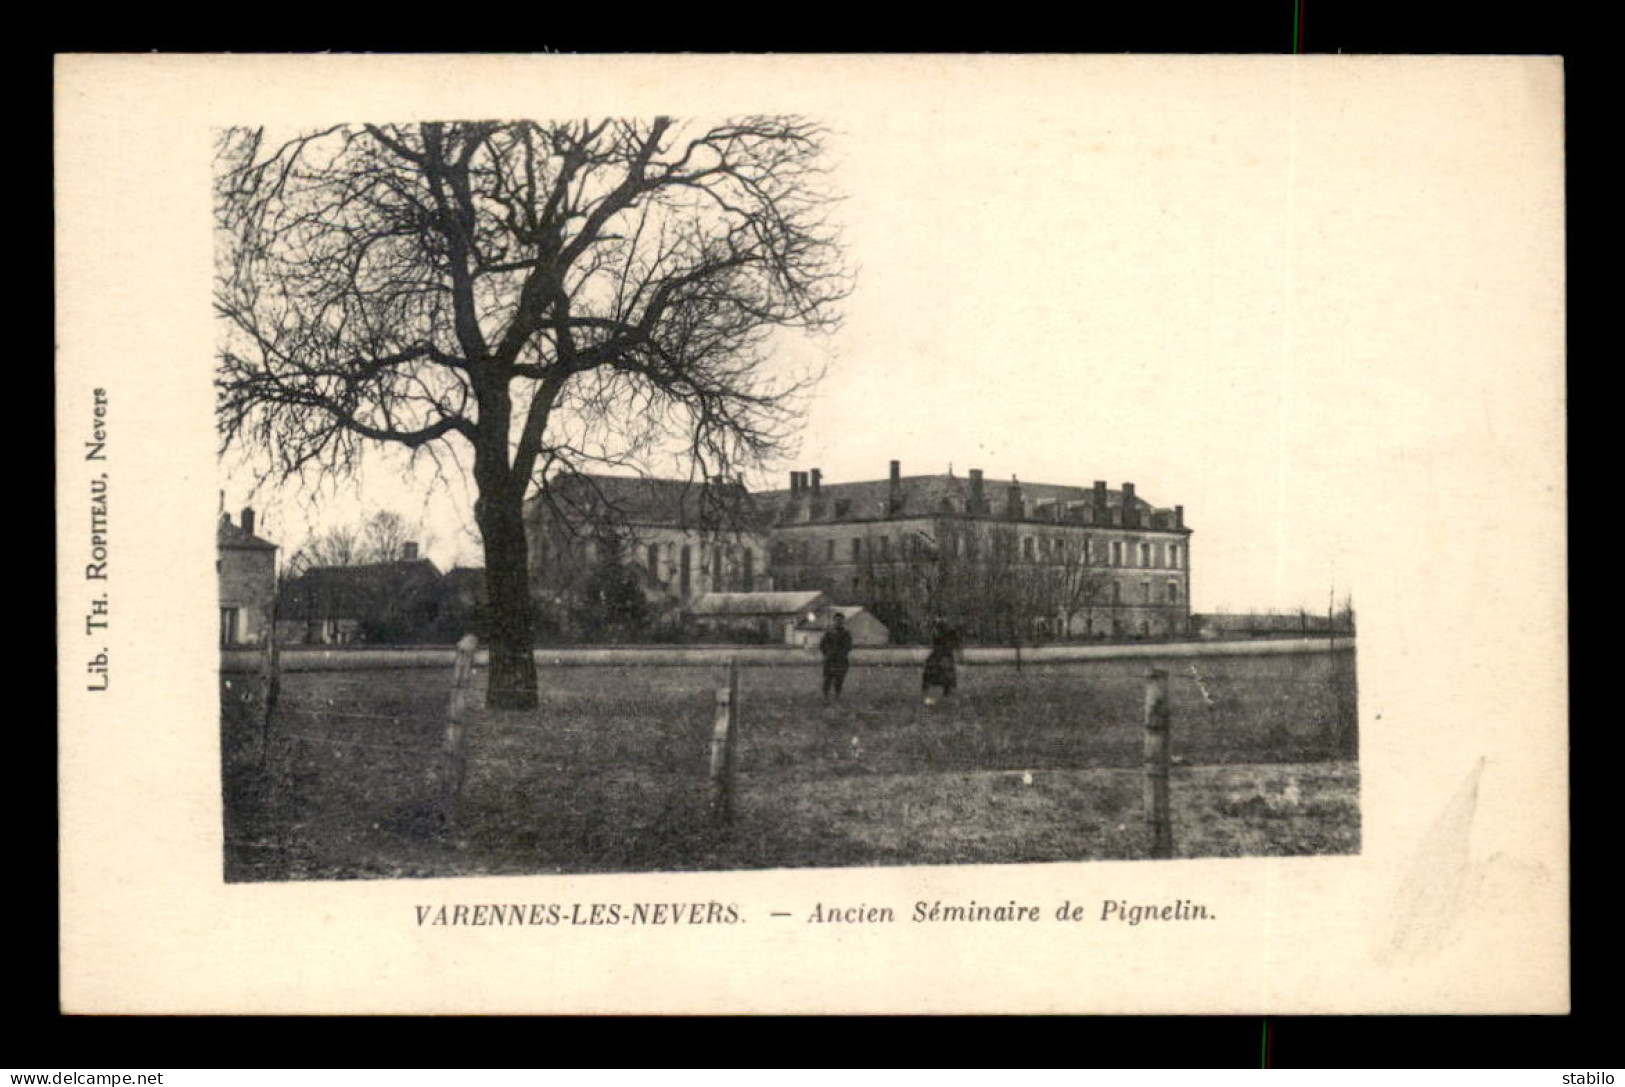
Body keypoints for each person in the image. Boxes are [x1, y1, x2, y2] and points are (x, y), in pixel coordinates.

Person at [922, 619, 960, 705]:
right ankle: (936, 693)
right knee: (936, 673)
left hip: (942, 654)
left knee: (942, 674)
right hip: (941, 654)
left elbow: (952, 643)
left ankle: (945, 693)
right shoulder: (942, 632)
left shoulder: (946, 632)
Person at [819, 611, 853, 701]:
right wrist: (827, 654)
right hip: (829, 660)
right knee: (827, 679)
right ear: (834, 621)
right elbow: (822, 645)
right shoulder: (829, 633)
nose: (839, 622)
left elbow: (848, 646)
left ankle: (837, 696)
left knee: (839, 680)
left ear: (843, 621)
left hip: (841, 661)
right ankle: (825, 697)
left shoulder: (846, 633)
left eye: (841, 620)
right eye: (837, 620)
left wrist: (841, 655)